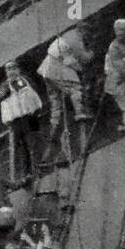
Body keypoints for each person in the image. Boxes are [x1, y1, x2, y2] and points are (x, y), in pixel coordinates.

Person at [37, 27, 94, 164]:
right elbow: (78, 61)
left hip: (46, 68)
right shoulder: (76, 40)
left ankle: (55, 122)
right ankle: (80, 112)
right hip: (56, 67)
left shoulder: (66, 36)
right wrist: (91, 55)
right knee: (75, 89)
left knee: (56, 102)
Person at [0, 60, 46, 181]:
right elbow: (1, 95)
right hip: (16, 121)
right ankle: (27, 173)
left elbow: (32, 93)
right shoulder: (3, 86)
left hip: (30, 116)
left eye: (13, 68)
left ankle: (40, 166)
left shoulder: (25, 80)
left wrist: (37, 108)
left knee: (35, 141)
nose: (11, 71)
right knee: (22, 147)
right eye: (9, 69)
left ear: (18, 69)